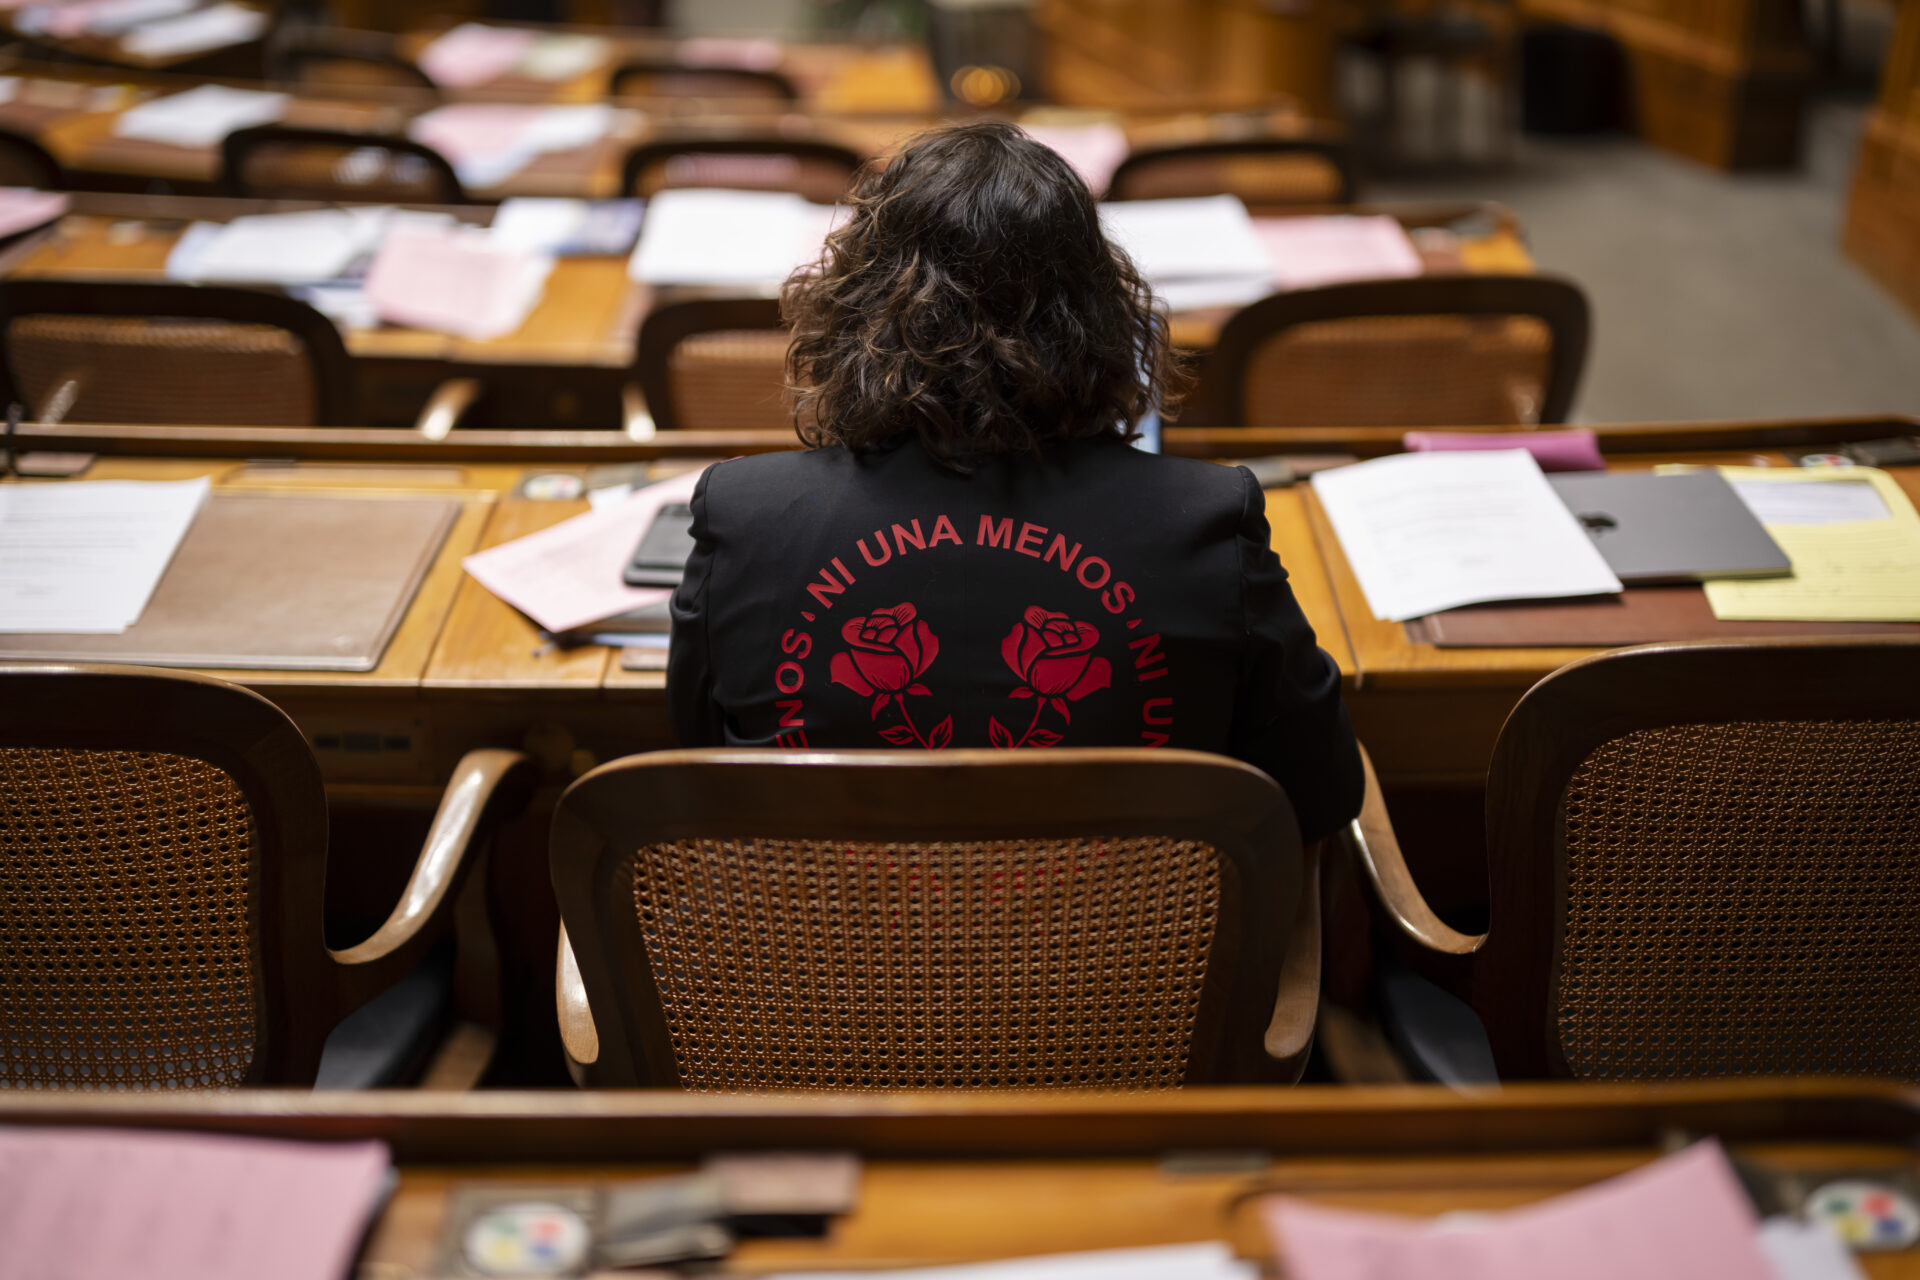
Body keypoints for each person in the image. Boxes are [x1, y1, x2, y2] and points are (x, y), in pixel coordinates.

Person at [668, 119, 1363, 841]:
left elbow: (706, 776)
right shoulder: (1210, 520)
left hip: (826, 916)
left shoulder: (742, 516)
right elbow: (1321, 792)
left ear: (851, 311)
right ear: (1101, 314)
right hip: (1124, 918)